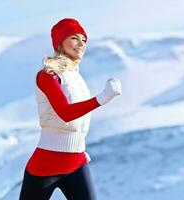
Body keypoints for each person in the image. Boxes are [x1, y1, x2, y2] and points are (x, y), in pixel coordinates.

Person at [19, 18, 122, 200]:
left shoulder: (76, 77)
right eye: (74, 38)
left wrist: (77, 145)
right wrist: (102, 98)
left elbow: (78, 121)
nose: (81, 43)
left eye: (84, 39)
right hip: (46, 165)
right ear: (60, 42)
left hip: (76, 163)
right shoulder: (47, 75)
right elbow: (65, 113)